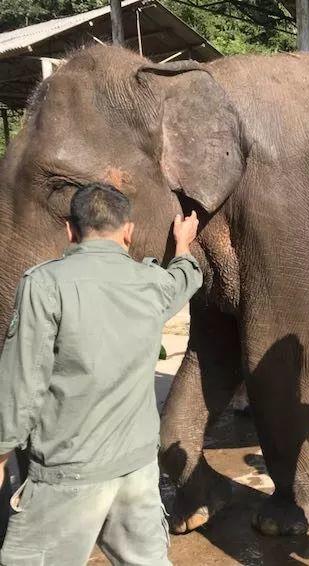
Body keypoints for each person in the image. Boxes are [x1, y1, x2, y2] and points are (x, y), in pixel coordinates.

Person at [0, 183, 202, 565]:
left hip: (67, 472)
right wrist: (183, 245)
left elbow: (22, 381)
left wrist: (1, 449)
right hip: (138, 471)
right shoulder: (151, 284)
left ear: (69, 230)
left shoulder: (44, 284)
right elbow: (186, 277)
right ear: (128, 231)